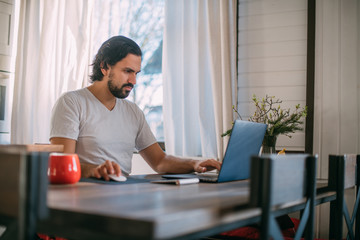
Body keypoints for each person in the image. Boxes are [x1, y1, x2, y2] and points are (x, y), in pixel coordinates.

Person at [50, 35, 221, 180]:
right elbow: (63, 163)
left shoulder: (133, 112)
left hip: (123, 194)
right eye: (127, 71)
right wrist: (94, 170)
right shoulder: (72, 102)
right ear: (104, 67)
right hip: (86, 195)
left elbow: (160, 161)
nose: (134, 81)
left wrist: (195, 164)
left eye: (136, 73)